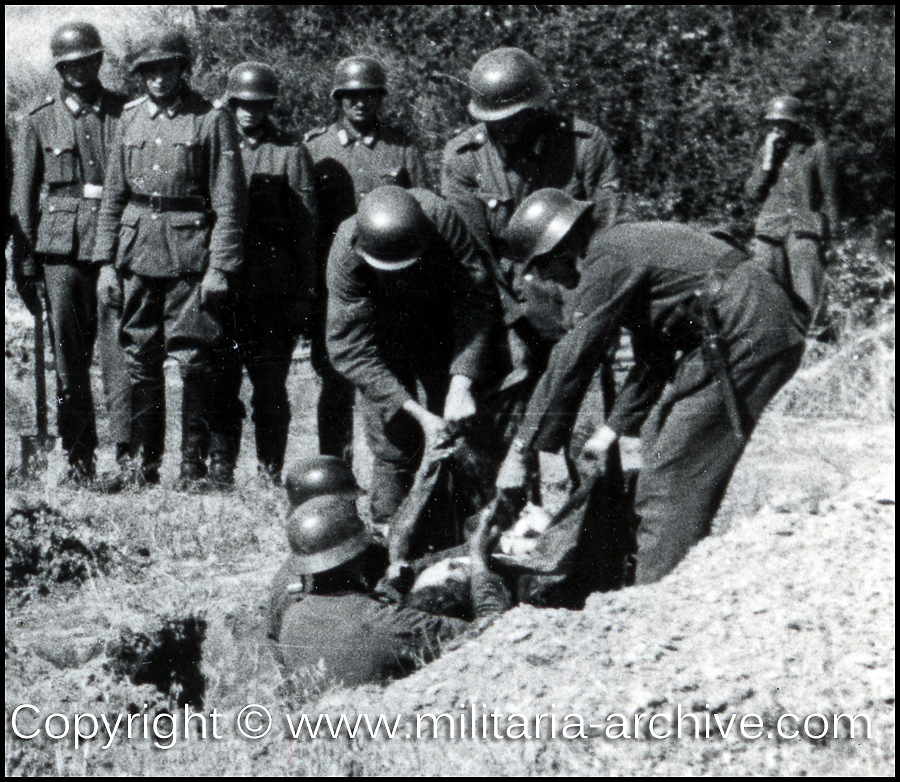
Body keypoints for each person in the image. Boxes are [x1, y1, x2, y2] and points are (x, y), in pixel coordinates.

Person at [494, 190, 807, 586]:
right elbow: (654, 355)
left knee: (669, 476)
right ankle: (670, 576)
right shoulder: (623, 247)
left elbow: (573, 356)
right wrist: (610, 431)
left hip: (743, 329)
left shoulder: (606, 258)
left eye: (539, 267)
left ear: (559, 249)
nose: (539, 279)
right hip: (747, 324)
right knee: (662, 439)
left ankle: (655, 600)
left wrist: (520, 452)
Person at [92, 29, 246, 490]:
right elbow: (114, 195)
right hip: (137, 252)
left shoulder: (210, 119)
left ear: (184, 70)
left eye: (167, 69)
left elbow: (230, 200)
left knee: (194, 359)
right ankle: (141, 464)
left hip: (190, 256)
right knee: (140, 357)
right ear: (139, 77)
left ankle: (192, 466)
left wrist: (220, 266)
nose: (158, 80)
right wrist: (105, 262)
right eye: (148, 72)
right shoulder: (131, 118)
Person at [326, 185, 497, 531]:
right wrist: (417, 413)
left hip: (440, 325)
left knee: (458, 431)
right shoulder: (346, 250)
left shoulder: (441, 219)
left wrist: (461, 381)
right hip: (381, 337)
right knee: (392, 440)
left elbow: (476, 300)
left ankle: (467, 526)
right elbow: (349, 348)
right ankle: (389, 530)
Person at [11, 22, 132, 485]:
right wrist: (24, 266)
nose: (79, 69)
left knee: (121, 356)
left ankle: (129, 457)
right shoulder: (38, 120)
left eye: (87, 60)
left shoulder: (126, 111)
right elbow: (22, 198)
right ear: (59, 68)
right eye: (69, 63)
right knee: (68, 361)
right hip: (59, 253)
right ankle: (80, 458)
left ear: (100, 61)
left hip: (117, 246)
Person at [305, 56, 429, 463]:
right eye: (351, 96)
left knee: (390, 374)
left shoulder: (403, 147)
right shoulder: (315, 148)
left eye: (369, 95)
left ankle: (392, 467)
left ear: (380, 99)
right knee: (336, 377)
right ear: (338, 100)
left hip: (393, 283)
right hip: (337, 282)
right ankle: (334, 468)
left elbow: (423, 211)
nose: (360, 104)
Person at [267, 490, 510, 688]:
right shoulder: (392, 624)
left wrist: (391, 589)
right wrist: (478, 560)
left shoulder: (293, 615)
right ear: (358, 559)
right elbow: (492, 633)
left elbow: (352, 616)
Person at [212, 62, 318, 484]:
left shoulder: (290, 152)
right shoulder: (217, 146)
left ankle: (270, 469)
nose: (250, 112)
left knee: (270, 385)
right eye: (242, 103)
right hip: (226, 283)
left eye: (259, 104)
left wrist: (305, 290)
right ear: (232, 103)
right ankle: (221, 466)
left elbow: (306, 228)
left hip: (273, 286)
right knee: (221, 377)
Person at [745, 95, 839, 329]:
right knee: (765, 291)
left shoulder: (817, 150)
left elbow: (830, 196)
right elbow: (752, 193)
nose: (775, 128)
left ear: (795, 122)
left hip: (804, 229)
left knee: (809, 294)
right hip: (769, 230)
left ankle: (814, 343)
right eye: (772, 123)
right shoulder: (766, 152)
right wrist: (767, 161)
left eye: (782, 122)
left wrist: (833, 238)